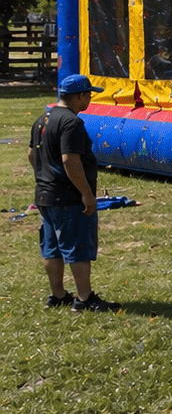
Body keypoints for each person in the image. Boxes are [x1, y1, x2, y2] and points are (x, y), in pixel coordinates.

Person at [29, 74, 118, 311]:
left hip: (45, 195)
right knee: (77, 247)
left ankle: (57, 295)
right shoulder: (72, 123)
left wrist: (46, 176)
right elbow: (70, 161)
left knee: (52, 247)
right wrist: (86, 194)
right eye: (88, 94)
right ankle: (85, 299)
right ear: (79, 96)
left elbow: (31, 155)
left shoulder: (42, 119)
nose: (89, 98)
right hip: (68, 197)